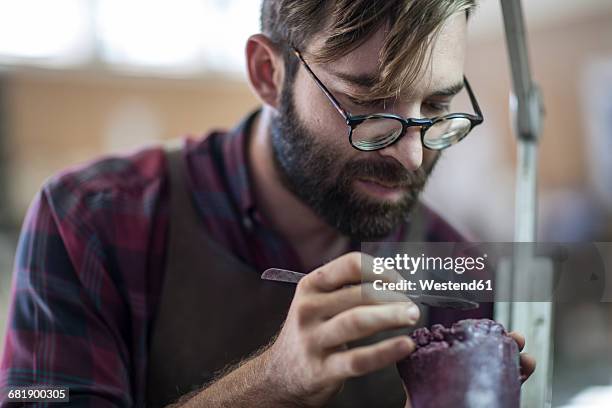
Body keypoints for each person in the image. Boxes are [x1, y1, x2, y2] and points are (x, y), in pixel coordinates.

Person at [0, 0, 535, 407]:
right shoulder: (90, 220)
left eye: (436, 107)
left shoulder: (454, 264)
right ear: (267, 73)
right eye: (368, 104)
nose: (412, 156)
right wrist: (269, 385)